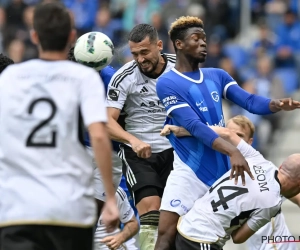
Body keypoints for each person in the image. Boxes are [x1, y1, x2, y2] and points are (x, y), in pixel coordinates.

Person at [155, 16, 300, 250]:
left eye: (204, 38)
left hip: (223, 170)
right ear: (179, 44)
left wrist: (275, 104)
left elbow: (250, 101)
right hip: (191, 169)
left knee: (210, 234)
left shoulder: (217, 75)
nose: (203, 43)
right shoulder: (167, 83)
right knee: (166, 232)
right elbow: (194, 125)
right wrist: (233, 151)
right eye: (196, 39)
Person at [0, 3, 118, 250]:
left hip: (19, 206)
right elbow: (98, 136)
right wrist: (110, 198)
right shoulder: (84, 78)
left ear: (34, 36)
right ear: (72, 36)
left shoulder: (11, 77)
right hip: (70, 207)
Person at [162, 116, 300, 250]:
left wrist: (183, 130)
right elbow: (238, 237)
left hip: (192, 225)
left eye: (240, 135)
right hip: (202, 237)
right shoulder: (273, 202)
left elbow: (227, 134)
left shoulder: (258, 160)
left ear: (281, 167)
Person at [106, 23, 176, 250]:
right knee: (150, 208)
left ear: (159, 45)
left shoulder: (181, 68)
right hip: (138, 153)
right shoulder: (124, 76)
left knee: (176, 212)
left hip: (176, 149)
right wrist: (133, 141)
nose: (140, 59)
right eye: (135, 54)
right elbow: (107, 122)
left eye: (145, 52)